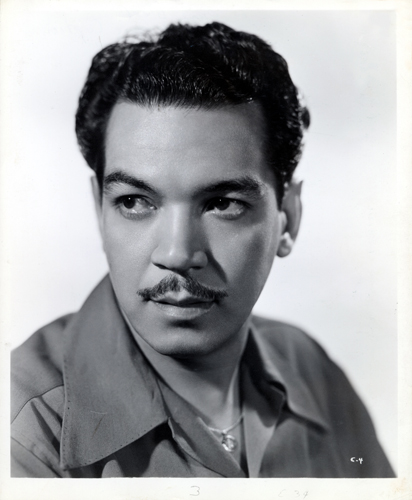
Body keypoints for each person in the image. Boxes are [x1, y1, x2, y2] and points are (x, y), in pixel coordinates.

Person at [11, 21, 394, 478]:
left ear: (288, 217)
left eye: (222, 204)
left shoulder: (315, 374)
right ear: (99, 210)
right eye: (134, 202)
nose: (177, 254)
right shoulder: (24, 427)